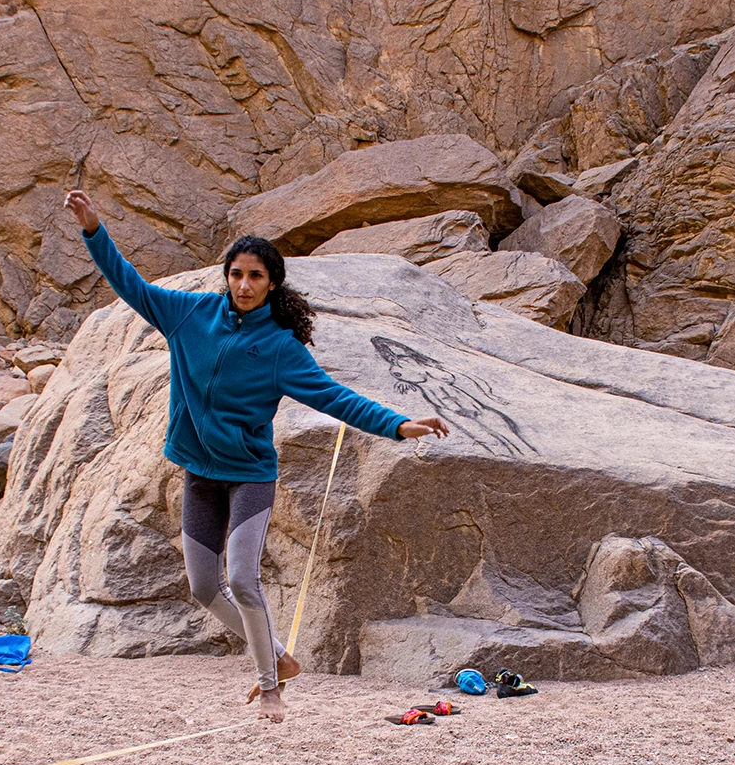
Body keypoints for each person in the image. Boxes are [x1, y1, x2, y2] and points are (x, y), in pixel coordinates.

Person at [64, 189, 449, 722]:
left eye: (256, 277)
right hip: (199, 474)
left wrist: (398, 425)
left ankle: (271, 686)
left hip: (249, 476)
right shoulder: (188, 314)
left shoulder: (281, 349)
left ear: (272, 284)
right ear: (226, 275)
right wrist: (94, 230)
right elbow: (130, 284)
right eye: (237, 274)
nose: (244, 286)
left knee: (243, 578)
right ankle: (282, 658)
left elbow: (335, 396)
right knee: (203, 587)